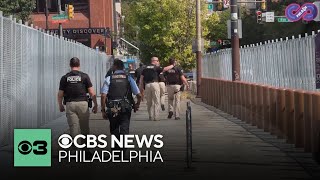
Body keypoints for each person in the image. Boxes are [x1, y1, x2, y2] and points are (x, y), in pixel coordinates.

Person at [101, 59, 141, 151]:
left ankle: (116, 150)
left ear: (115, 66)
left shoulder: (109, 78)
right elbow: (138, 94)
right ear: (123, 67)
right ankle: (123, 149)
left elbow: (103, 95)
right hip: (126, 107)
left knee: (114, 128)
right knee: (124, 127)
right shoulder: (128, 78)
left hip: (112, 107)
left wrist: (103, 110)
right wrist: (137, 104)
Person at [57, 57, 98, 138]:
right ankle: (85, 149)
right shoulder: (84, 76)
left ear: (70, 65)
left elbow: (60, 94)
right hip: (83, 104)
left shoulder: (65, 77)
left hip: (70, 104)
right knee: (85, 128)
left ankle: (75, 149)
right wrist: (95, 104)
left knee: (73, 128)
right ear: (79, 65)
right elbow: (91, 92)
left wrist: (60, 105)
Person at [139, 57, 174, 121]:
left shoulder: (145, 68)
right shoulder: (156, 67)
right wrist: (172, 65)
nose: (158, 62)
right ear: (154, 61)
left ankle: (150, 116)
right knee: (156, 101)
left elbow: (141, 79)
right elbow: (165, 69)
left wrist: (141, 88)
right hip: (155, 84)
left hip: (147, 85)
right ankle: (156, 117)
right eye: (157, 61)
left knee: (149, 102)